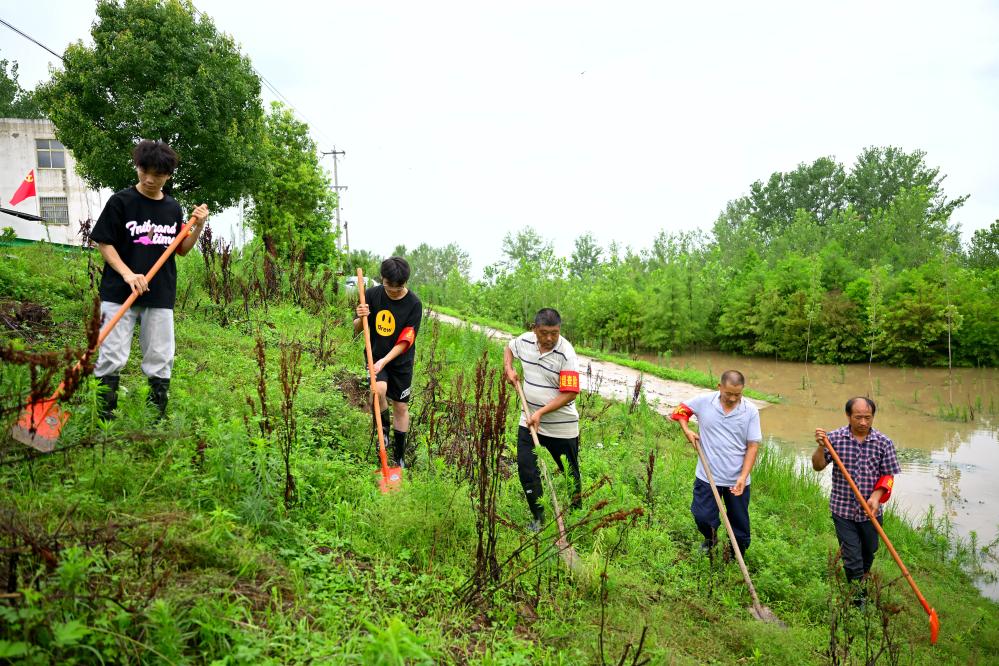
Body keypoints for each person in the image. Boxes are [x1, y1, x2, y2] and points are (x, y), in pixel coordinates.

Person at [90, 139, 210, 419]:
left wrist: (198, 227)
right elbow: (104, 243)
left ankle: (154, 420)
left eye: (157, 174)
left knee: (160, 357)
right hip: (119, 292)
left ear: (168, 175)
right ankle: (105, 419)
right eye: (144, 171)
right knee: (111, 355)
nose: (149, 179)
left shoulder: (172, 207)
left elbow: (180, 249)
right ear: (138, 168)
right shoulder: (121, 202)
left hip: (160, 293)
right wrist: (128, 274)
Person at [813, 397, 900, 602]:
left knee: (869, 551)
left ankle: (860, 580)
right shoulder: (834, 439)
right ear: (848, 416)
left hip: (871, 511)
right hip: (842, 509)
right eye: (858, 417)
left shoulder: (883, 442)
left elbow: (888, 476)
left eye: (867, 418)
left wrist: (876, 497)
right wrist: (819, 446)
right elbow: (817, 466)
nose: (863, 422)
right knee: (852, 556)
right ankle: (858, 598)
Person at [504, 308, 582, 531]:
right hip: (528, 420)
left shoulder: (566, 353)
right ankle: (538, 518)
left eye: (554, 333)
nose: (549, 338)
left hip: (561, 427)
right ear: (534, 329)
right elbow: (509, 348)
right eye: (544, 332)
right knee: (527, 469)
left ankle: (578, 516)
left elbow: (570, 393)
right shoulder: (525, 341)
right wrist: (508, 369)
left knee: (570, 474)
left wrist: (540, 413)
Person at [672, 370, 761, 558]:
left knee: (739, 525)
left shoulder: (750, 411)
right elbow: (680, 411)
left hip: (736, 479)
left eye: (737, 394)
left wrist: (743, 476)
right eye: (728, 393)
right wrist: (687, 430)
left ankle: (737, 554)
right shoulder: (704, 402)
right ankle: (710, 539)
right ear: (719, 387)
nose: (733, 398)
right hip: (707, 474)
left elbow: (752, 446)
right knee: (702, 516)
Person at [353, 257, 422, 467]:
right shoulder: (372, 295)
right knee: (378, 391)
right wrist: (360, 316)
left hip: (400, 361)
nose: (392, 291)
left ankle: (399, 457)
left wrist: (385, 361)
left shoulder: (414, 304)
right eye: (388, 286)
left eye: (397, 287)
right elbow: (357, 328)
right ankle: (383, 438)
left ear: (405, 283)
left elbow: (406, 340)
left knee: (400, 407)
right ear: (382, 279)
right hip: (375, 356)